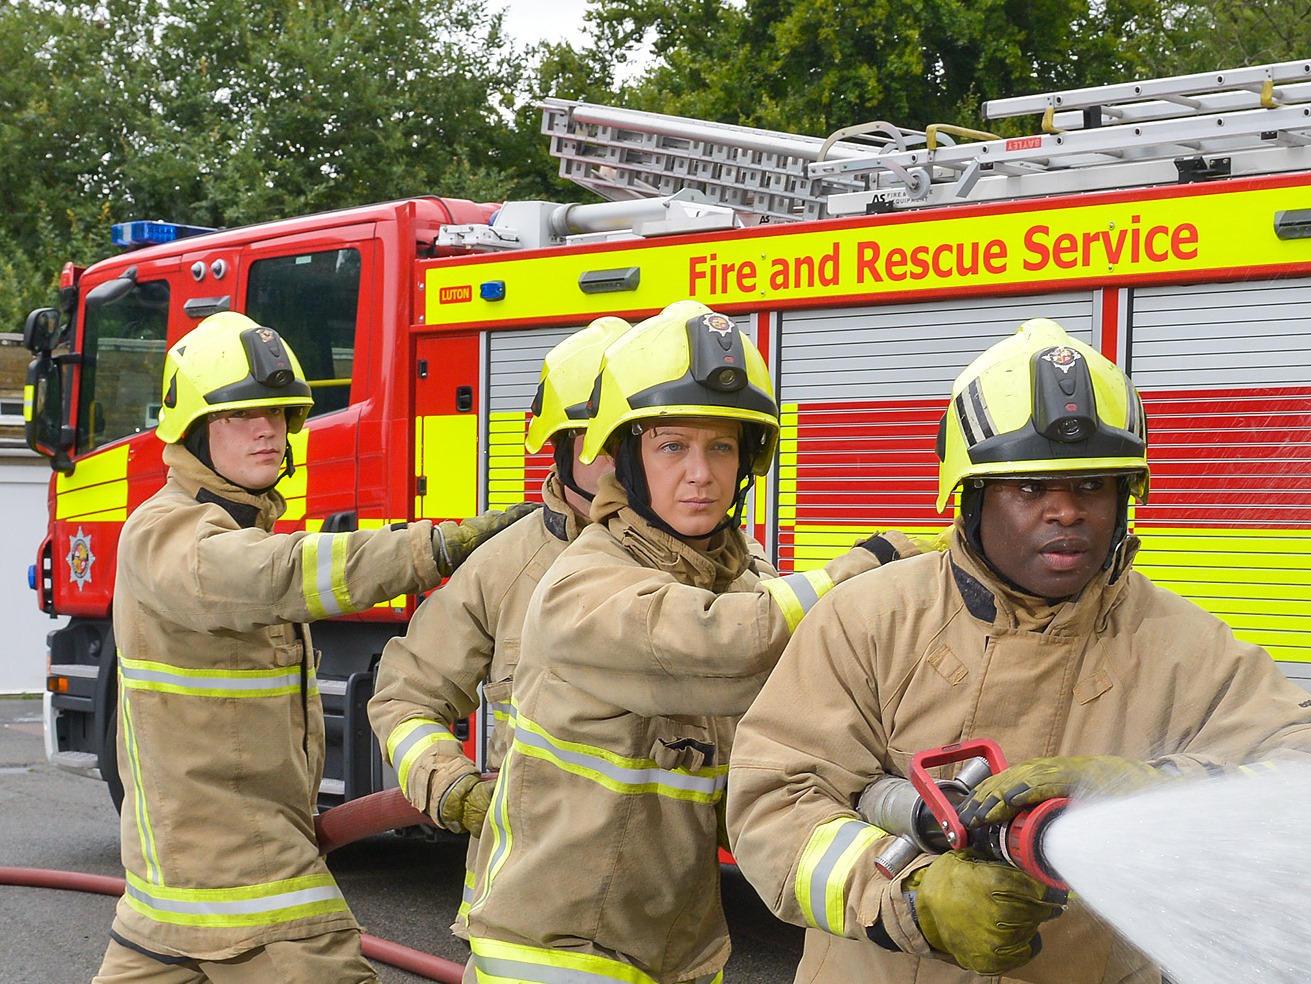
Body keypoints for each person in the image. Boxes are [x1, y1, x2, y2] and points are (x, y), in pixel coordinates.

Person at [725, 317, 1311, 983]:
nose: (1067, 511)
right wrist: (914, 900)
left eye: (1091, 485)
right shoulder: (868, 618)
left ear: (1125, 497)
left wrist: (1161, 788)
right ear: (970, 498)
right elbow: (774, 806)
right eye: (1031, 488)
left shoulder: (1181, 645)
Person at [460, 300, 927, 984]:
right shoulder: (579, 587)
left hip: (678, 953)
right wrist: (870, 567)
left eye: (721, 446)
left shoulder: (741, 578)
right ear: (627, 459)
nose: (701, 474)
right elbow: (733, 641)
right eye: (672, 446)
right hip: (558, 955)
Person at [93, 311, 530, 983]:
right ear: (192, 431)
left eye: (278, 413)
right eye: (241, 415)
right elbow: (277, 573)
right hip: (248, 881)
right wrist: (437, 545)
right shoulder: (165, 534)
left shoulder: (231, 525)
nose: (267, 429)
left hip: (174, 896)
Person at [367, 314, 632, 936]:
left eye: (635, 442)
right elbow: (406, 692)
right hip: (527, 912)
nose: (617, 467)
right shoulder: (506, 565)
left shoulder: (720, 570)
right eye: (597, 444)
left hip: (674, 924)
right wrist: (448, 781)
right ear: (562, 450)